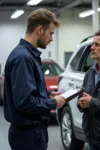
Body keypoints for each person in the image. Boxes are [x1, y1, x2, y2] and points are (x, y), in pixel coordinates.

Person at [4, 8, 66, 150]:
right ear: (39, 30)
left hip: (31, 133)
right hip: (28, 136)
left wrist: (48, 95)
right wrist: (52, 103)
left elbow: (28, 91)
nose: (51, 38)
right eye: (50, 33)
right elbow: (25, 102)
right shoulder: (23, 58)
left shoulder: (28, 55)